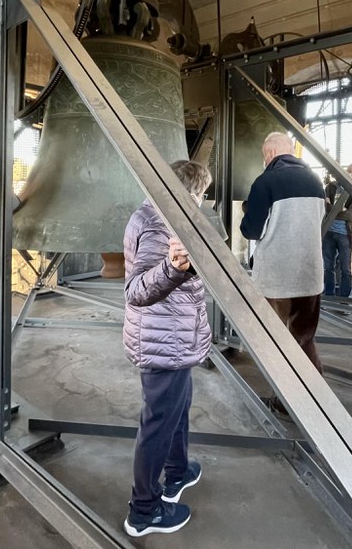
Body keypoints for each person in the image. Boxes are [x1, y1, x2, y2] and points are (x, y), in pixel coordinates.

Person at [122, 160, 213, 537]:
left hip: (172, 337)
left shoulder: (155, 214)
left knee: (177, 411)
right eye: (201, 194)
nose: (202, 201)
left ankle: (177, 473)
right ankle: (144, 511)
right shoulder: (160, 224)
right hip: (165, 340)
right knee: (158, 423)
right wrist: (175, 268)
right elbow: (137, 290)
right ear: (188, 192)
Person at [240, 132, 325, 378]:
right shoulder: (315, 180)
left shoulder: (265, 182)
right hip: (311, 277)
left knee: (274, 341)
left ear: (270, 154)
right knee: (304, 338)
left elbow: (251, 230)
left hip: (277, 279)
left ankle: (284, 398)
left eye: (263, 156)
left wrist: (248, 212)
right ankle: (314, 393)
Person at [322, 163, 352, 298]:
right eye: (348, 171)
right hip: (329, 233)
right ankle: (329, 295)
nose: (349, 174)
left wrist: (332, 207)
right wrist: (340, 210)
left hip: (345, 234)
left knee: (346, 269)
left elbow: (350, 215)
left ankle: (344, 300)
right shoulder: (331, 187)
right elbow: (324, 207)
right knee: (328, 266)